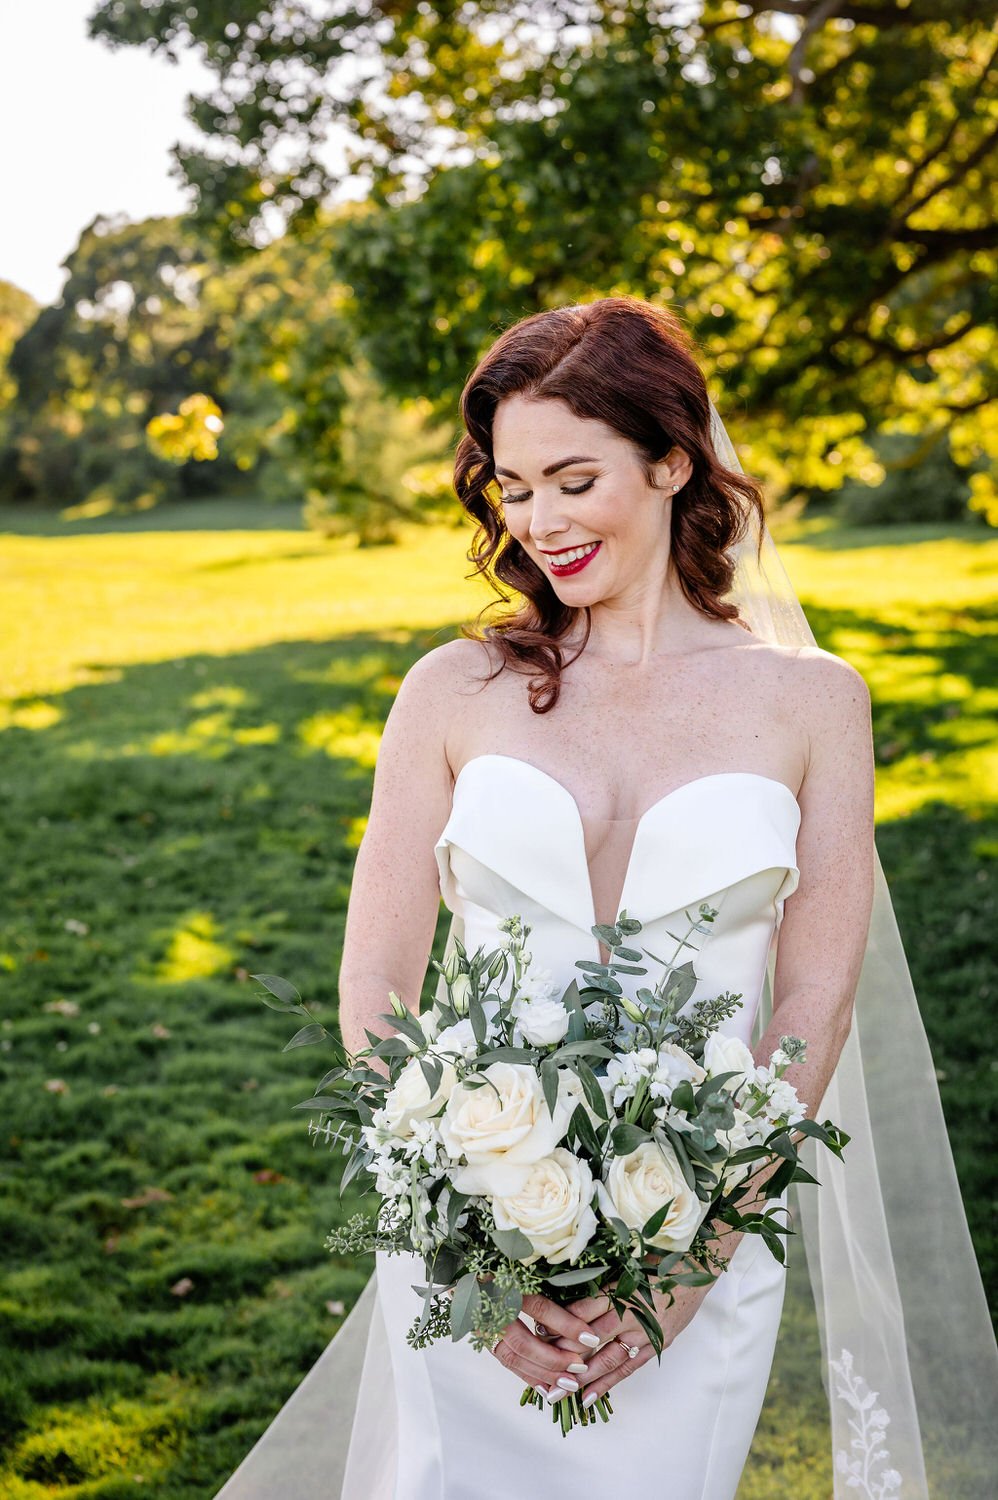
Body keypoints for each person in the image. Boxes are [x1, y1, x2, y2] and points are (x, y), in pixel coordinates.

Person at [215, 298, 997, 1500]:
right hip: (467, 1248)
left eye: (573, 479)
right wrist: (461, 1239)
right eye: (512, 487)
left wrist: (699, 1253)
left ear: (673, 459)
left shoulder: (812, 702)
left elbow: (813, 996)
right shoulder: (448, 691)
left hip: (697, 1244)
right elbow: (372, 983)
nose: (538, 522)